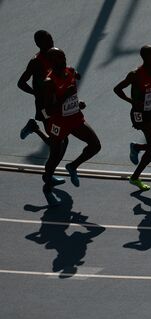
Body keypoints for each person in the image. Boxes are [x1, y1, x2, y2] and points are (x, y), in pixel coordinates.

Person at [41, 48, 101, 205]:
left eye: (64, 56)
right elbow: (49, 110)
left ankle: (73, 166)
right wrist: (66, 96)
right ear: (52, 62)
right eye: (59, 58)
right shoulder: (49, 82)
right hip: (59, 123)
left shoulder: (70, 71)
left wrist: (76, 102)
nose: (64, 60)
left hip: (75, 118)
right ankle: (47, 189)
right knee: (54, 156)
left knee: (95, 145)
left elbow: (73, 84)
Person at [114, 45, 151, 191]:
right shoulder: (135, 74)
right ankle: (136, 147)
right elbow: (117, 89)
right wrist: (131, 101)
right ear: (145, 58)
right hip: (139, 115)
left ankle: (135, 177)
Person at [18, 30, 66, 185]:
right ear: (39, 44)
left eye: (51, 38)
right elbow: (21, 83)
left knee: (60, 141)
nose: (51, 42)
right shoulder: (36, 62)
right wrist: (36, 94)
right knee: (57, 142)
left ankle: (34, 127)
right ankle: (48, 176)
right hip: (44, 107)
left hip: (57, 104)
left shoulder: (56, 56)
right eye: (46, 40)